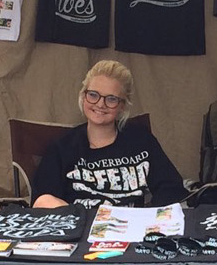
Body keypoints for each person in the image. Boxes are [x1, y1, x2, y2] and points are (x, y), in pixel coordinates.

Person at [31, 60, 186, 209]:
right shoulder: (62, 148)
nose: (100, 104)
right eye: (93, 95)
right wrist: (79, 218)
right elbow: (42, 200)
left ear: (122, 106)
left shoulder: (142, 141)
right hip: (80, 231)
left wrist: (149, 219)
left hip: (132, 230)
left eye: (111, 99)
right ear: (83, 96)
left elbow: (171, 189)